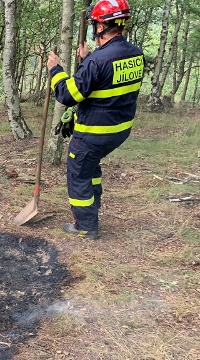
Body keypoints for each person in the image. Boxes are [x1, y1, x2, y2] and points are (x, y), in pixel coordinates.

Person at [47, 0, 144, 240]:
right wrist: (88, 58)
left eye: (95, 24)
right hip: (119, 130)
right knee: (90, 166)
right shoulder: (135, 54)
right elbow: (107, 79)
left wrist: (55, 70)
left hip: (95, 131)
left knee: (78, 171)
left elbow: (67, 95)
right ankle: (93, 208)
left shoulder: (97, 62)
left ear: (100, 26)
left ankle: (86, 226)